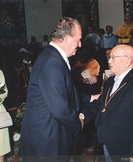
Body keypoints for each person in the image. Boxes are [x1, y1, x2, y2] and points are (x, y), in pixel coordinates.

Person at [19, 17, 98, 162]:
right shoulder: (52, 61)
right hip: (47, 138)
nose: (79, 45)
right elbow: (59, 108)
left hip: (52, 133)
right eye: (78, 40)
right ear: (67, 39)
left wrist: (91, 97)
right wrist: (77, 122)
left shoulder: (54, 56)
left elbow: (64, 91)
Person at [80, 44, 133, 161]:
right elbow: (100, 105)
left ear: (127, 61)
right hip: (105, 144)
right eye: (109, 57)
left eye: (113, 57)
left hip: (124, 148)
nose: (109, 60)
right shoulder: (110, 81)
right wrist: (83, 114)